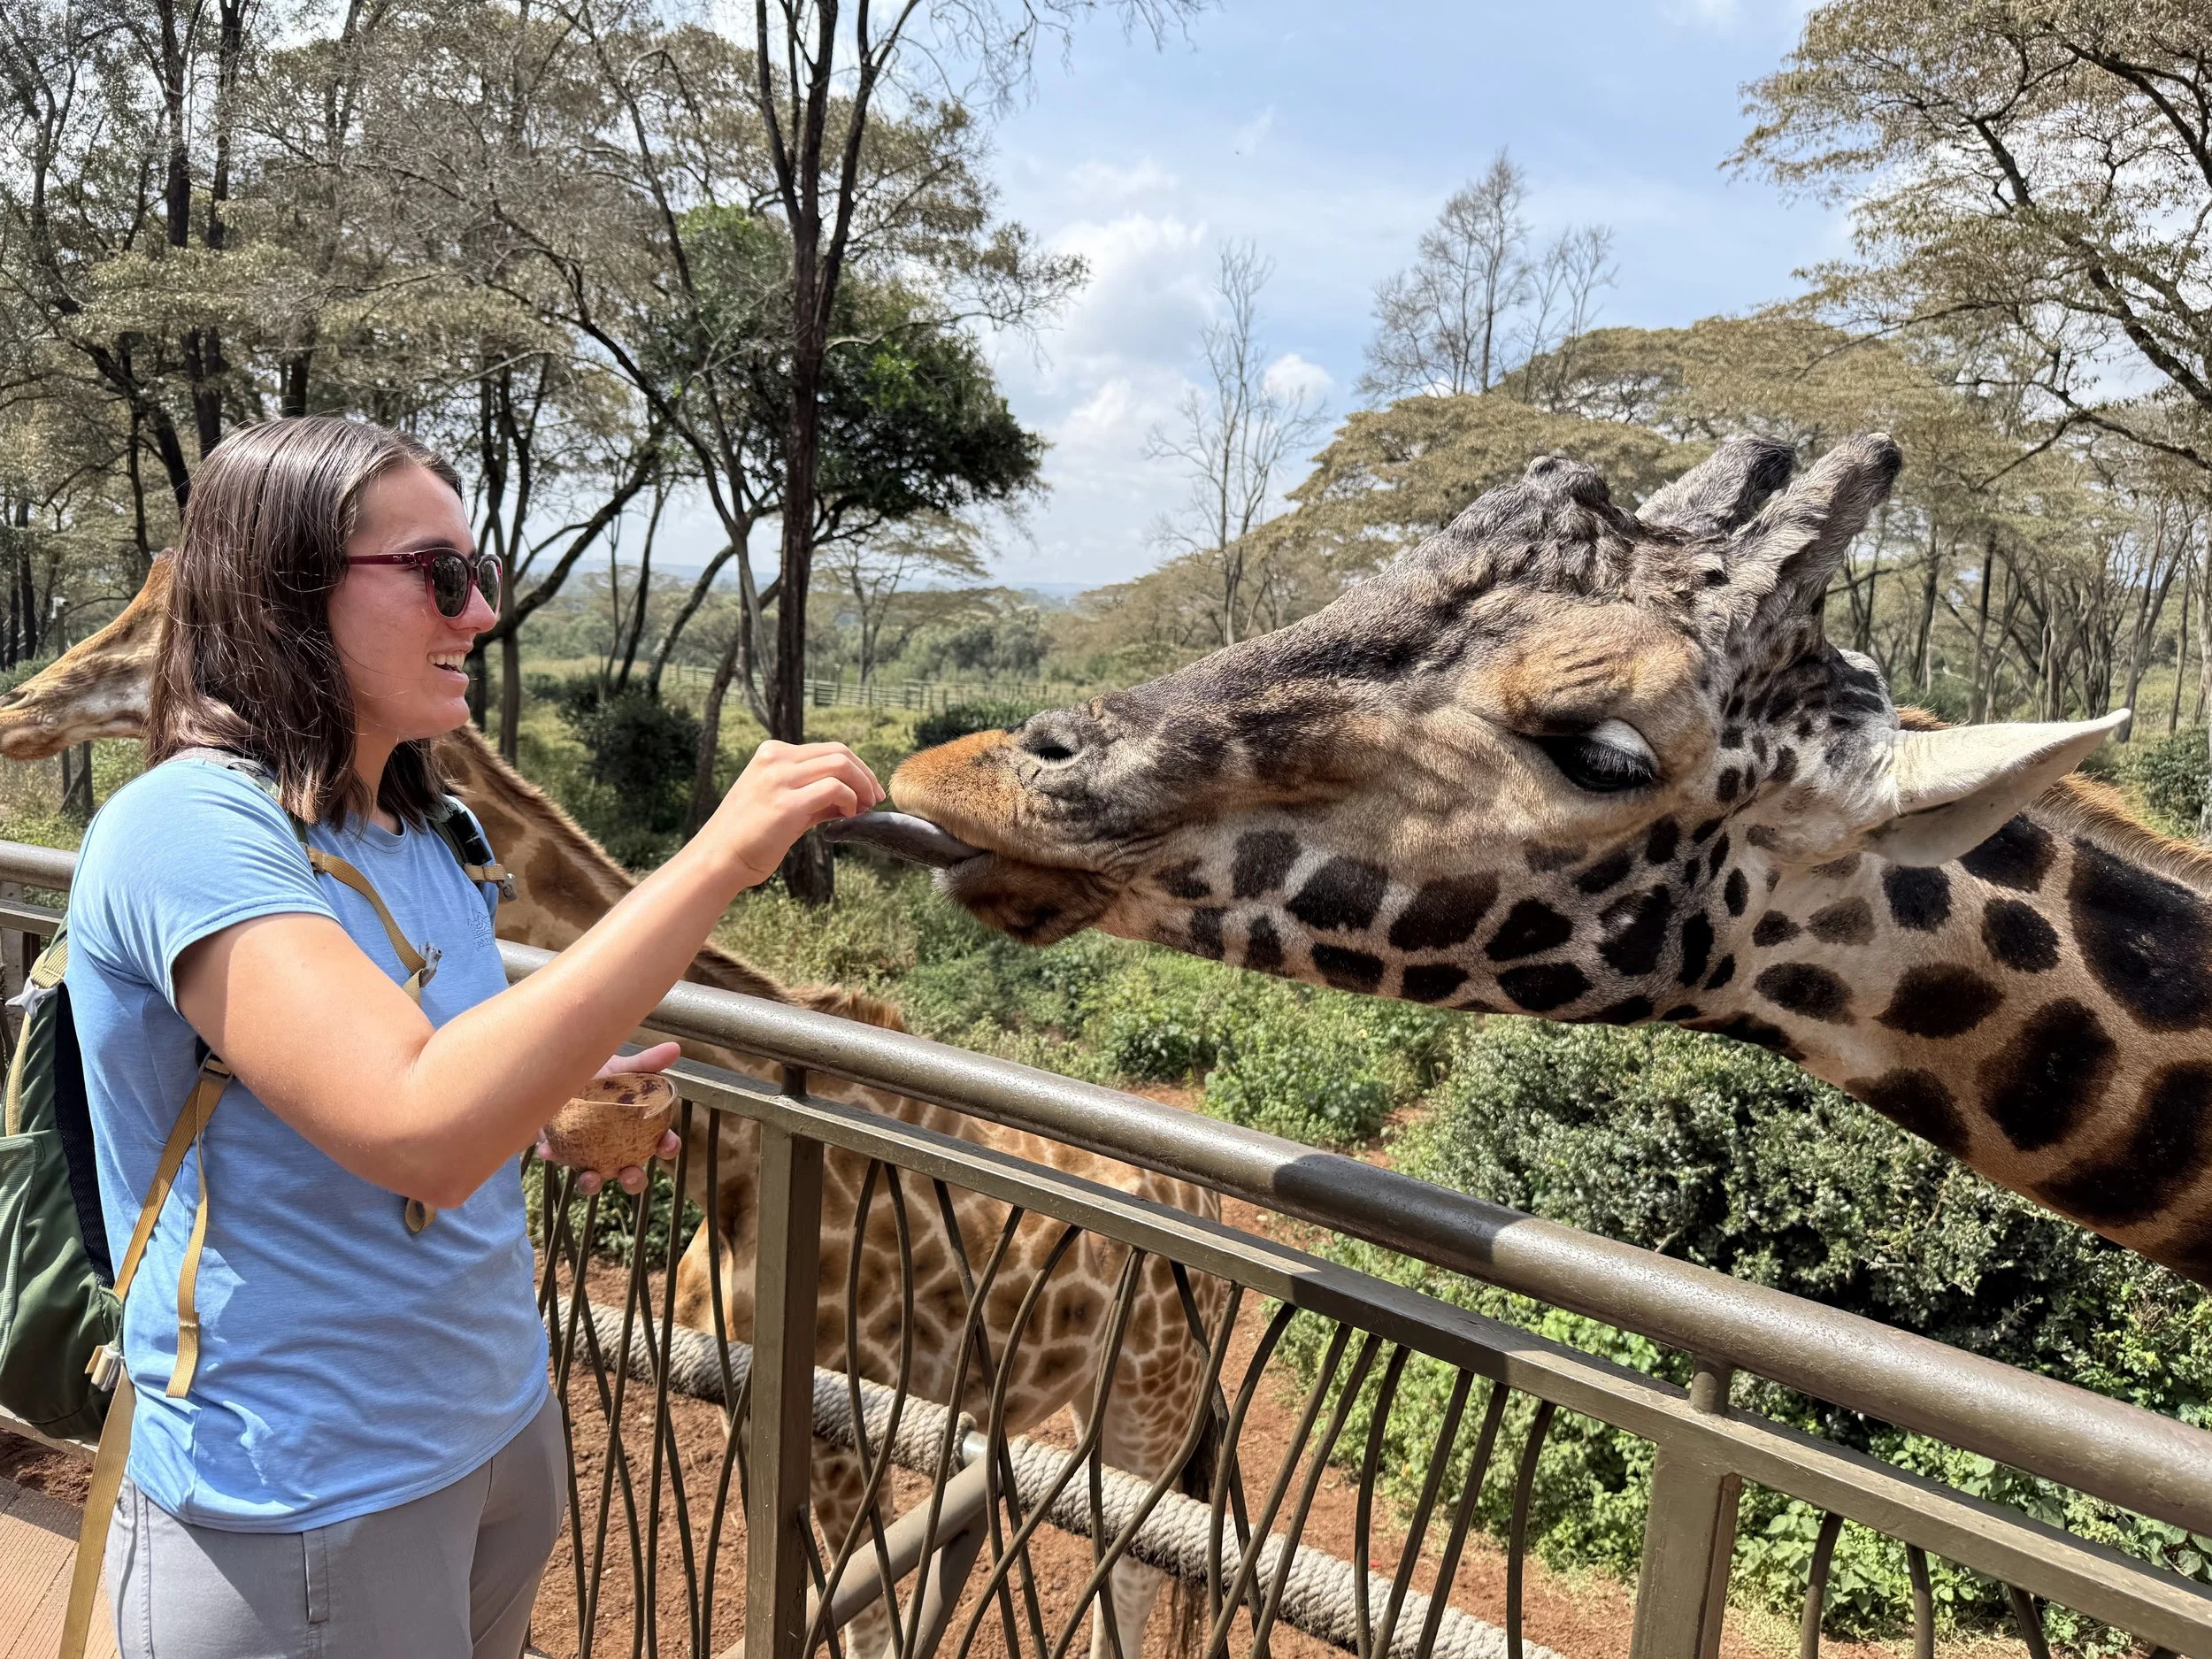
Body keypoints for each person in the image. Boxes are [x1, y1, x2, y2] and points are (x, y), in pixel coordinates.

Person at [65, 415, 882, 1658]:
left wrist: (555, 1103)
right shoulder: (187, 830)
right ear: (286, 592)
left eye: (478, 569)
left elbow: (414, 1071)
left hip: (490, 1430)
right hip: (304, 1489)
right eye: (438, 576)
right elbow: (419, 1125)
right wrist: (717, 857)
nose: (480, 612)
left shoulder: (426, 829)